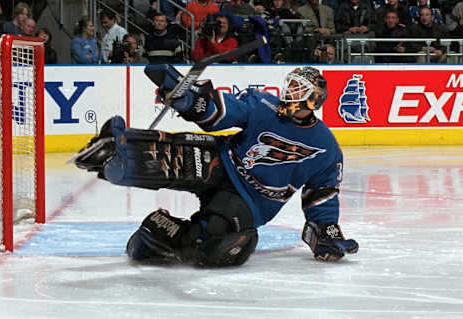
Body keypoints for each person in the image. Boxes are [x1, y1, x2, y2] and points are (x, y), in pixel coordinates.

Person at [72, 65, 359, 267]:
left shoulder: (327, 149)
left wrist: (328, 235)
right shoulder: (264, 104)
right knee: (176, 158)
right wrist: (192, 102)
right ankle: (118, 152)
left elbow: (322, 197)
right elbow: (224, 110)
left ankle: (157, 230)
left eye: (299, 88)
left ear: (314, 98)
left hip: (251, 202)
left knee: (216, 247)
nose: (290, 91)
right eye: (290, 84)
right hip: (224, 162)